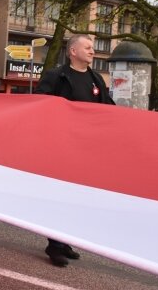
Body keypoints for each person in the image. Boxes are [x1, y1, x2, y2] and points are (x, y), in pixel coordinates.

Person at [35, 33, 115, 267]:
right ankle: (55, 244)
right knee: (59, 196)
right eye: (88, 47)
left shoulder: (96, 79)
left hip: (87, 148)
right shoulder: (56, 76)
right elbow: (40, 102)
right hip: (61, 146)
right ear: (73, 51)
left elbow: (107, 107)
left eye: (92, 48)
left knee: (76, 198)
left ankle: (65, 239)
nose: (92, 51)